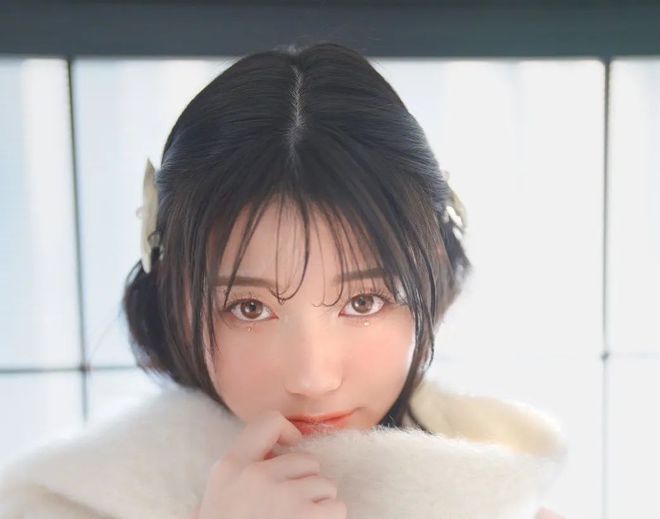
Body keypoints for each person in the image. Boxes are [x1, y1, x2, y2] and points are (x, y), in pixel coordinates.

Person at [0, 41, 567, 518]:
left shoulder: (505, 495)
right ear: (175, 296)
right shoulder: (71, 503)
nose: (312, 377)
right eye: (250, 308)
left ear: (431, 278)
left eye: (363, 301)